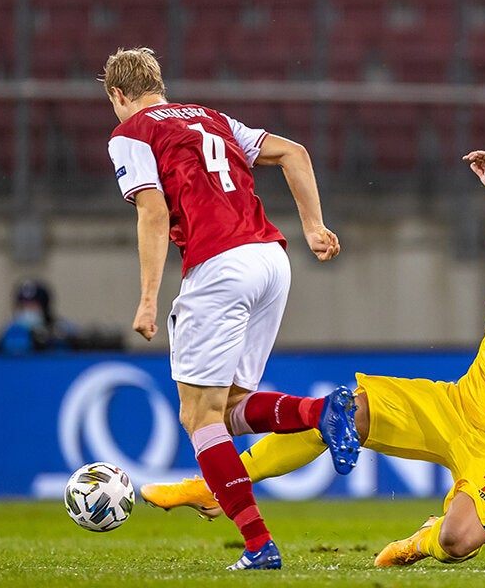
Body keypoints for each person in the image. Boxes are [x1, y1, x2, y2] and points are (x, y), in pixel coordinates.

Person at [140, 150, 485, 567]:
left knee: (458, 540)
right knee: (343, 411)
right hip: (458, 406)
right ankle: (219, 487)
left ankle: (423, 540)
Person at [102, 47, 360, 571]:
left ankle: (259, 546)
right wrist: (313, 225)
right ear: (160, 84)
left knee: (198, 417)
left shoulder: (131, 134)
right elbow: (294, 153)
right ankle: (320, 412)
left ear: (117, 95)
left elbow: (152, 213)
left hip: (220, 266)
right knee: (228, 407)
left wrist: (149, 299)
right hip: (272, 258)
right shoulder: (212, 118)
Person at [0, 279, 77, 354]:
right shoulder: (9, 329)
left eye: (33, 305)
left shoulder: (61, 327)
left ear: (44, 307)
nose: (28, 310)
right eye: (23, 306)